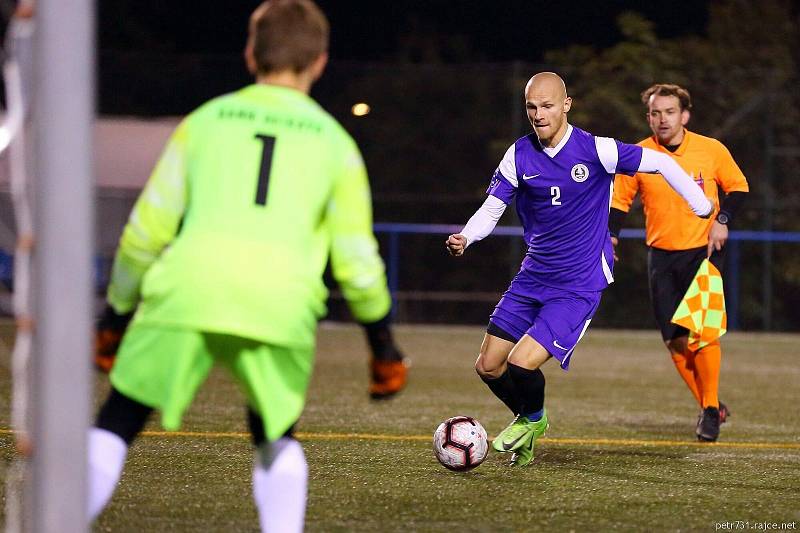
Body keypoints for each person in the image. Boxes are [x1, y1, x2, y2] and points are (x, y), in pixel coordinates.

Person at [87, 1, 407, 529]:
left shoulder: (205, 122)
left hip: (187, 289)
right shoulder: (336, 144)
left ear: (249, 54)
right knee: (275, 436)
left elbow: (145, 233)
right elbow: (356, 262)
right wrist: (383, 346)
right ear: (320, 62)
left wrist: (115, 316)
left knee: (116, 421)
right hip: (279, 302)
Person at [446, 72, 713, 466]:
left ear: (567, 105)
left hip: (578, 283)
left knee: (522, 362)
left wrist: (700, 203)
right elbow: (492, 207)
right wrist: (467, 236)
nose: (539, 115)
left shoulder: (595, 150)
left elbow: (658, 162)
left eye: (548, 105)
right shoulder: (518, 154)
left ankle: (533, 421)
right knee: (488, 365)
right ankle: (528, 418)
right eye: (532, 107)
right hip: (532, 276)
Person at [609, 83, 749, 442]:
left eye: (670, 112)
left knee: (703, 334)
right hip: (661, 256)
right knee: (674, 340)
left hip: (703, 253)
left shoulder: (710, 149)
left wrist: (722, 220)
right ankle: (711, 404)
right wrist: (609, 238)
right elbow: (619, 203)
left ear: (684, 116)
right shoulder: (638, 155)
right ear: (649, 118)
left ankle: (709, 412)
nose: (662, 119)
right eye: (656, 113)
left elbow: (739, 188)